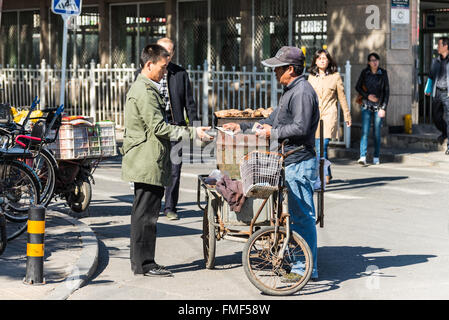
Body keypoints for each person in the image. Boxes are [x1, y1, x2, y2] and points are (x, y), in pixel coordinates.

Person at [223, 46, 320, 281]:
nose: (274, 73)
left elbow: (301, 127)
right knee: (292, 215)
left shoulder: (303, 92)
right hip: (288, 160)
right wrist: (243, 127)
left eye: (278, 68)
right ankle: (298, 259)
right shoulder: (289, 91)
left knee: (302, 216)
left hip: (299, 159)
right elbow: (271, 120)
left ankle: (305, 268)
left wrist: (273, 132)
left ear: (290, 69)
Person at [121, 44, 212, 277]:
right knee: (145, 216)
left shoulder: (147, 88)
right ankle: (144, 264)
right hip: (146, 159)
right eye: (162, 67)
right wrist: (193, 133)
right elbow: (159, 127)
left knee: (145, 214)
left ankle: (142, 262)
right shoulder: (143, 90)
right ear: (149, 64)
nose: (165, 72)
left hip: (149, 158)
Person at [156, 37, 198, 220]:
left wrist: (195, 128)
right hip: (156, 126)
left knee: (174, 169)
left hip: (176, 126)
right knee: (155, 168)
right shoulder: (147, 72)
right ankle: (153, 204)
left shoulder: (180, 73)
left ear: (173, 54)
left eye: (169, 52)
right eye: (162, 51)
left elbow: (190, 103)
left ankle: (170, 207)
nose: (165, 55)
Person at [308, 49, 352, 183]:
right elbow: (308, 98)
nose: (322, 60)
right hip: (315, 115)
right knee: (318, 145)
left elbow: (342, 97)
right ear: (315, 61)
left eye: (325, 58)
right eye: (320, 58)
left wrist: (347, 115)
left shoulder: (335, 76)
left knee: (323, 144)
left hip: (329, 114)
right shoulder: (311, 77)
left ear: (328, 61)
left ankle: (323, 174)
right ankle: (327, 171)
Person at [355, 52, 389, 165]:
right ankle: (363, 156)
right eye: (372, 60)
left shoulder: (383, 73)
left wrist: (383, 107)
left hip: (379, 107)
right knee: (364, 132)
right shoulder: (365, 73)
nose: (374, 62)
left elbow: (386, 91)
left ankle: (376, 156)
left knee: (376, 132)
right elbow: (358, 87)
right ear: (368, 62)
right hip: (366, 106)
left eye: (376, 60)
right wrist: (367, 95)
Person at [425, 37, 449, 154]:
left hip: (447, 93)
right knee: (436, 118)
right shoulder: (436, 61)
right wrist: (428, 88)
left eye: (439, 45)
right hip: (437, 92)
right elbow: (431, 75)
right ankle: (445, 133)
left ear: (445, 46)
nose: (437, 47)